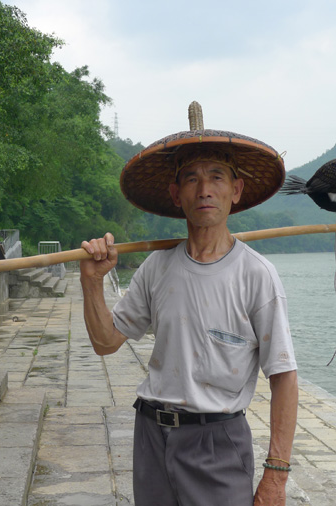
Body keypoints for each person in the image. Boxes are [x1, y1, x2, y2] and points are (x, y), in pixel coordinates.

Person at [79, 102, 298, 506]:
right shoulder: (156, 267)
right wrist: (92, 284)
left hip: (217, 442)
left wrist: (276, 475)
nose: (204, 189)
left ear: (236, 190)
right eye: (192, 179)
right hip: (151, 436)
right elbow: (106, 342)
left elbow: (283, 376)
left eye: (217, 177)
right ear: (175, 194)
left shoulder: (256, 275)